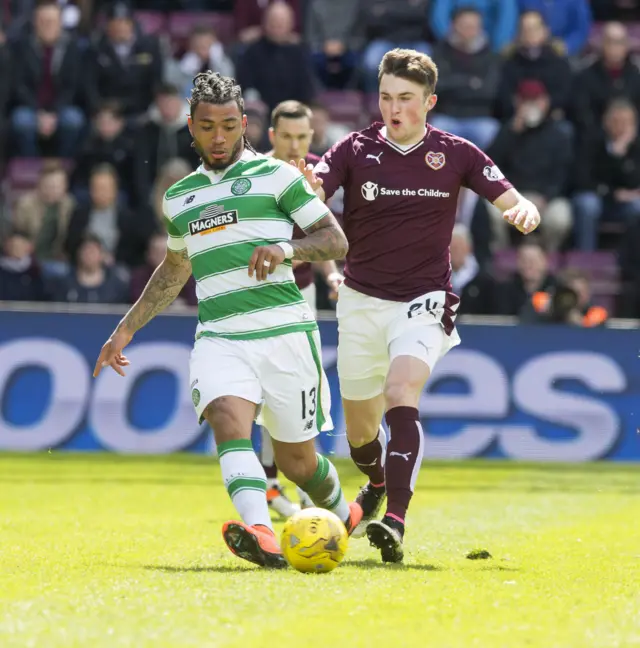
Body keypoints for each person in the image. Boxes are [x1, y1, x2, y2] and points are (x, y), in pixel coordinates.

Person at [93, 72, 362, 569]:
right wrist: (123, 330)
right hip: (220, 334)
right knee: (224, 416)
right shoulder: (180, 199)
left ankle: (349, 515)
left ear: (244, 125)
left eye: (227, 126)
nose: (218, 137)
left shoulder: (279, 177)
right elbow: (175, 269)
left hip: (284, 331)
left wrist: (284, 247)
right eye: (206, 126)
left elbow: (335, 240)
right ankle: (260, 530)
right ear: (190, 128)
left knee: (297, 463)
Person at [297, 48, 540, 563]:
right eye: (386, 97)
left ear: (430, 101)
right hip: (360, 300)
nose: (394, 107)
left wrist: (523, 211)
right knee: (361, 435)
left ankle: (396, 522)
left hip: (424, 301)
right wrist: (310, 185)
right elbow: (317, 190)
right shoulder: (354, 148)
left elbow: (513, 199)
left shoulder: (457, 153)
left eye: (406, 98)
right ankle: (378, 481)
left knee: (400, 393)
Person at [258, 99, 345, 517]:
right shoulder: (255, 172)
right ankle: (270, 481)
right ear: (272, 136)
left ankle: (298, 483)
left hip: (301, 294)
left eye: (302, 137)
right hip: (258, 295)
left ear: (313, 137)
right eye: (287, 137)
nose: (295, 146)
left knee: (299, 387)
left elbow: (320, 235)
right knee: (263, 388)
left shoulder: (315, 173)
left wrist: (331, 276)